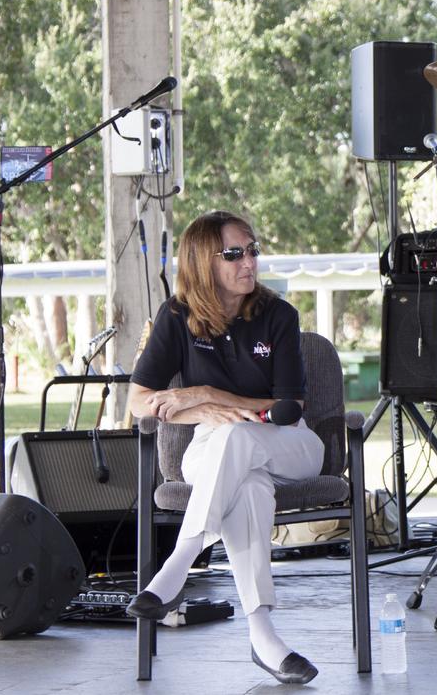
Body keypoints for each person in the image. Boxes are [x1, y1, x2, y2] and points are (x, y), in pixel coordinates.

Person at [125, 211, 324, 686]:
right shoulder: (176, 316)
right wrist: (197, 411)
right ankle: (264, 638)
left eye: (252, 250)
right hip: (211, 449)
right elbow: (137, 402)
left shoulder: (279, 315)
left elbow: (288, 407)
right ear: (202, 262)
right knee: (248, 487)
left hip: (288, 444)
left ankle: (181, 558)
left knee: (241, 441)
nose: (248, 261)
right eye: (234, 253)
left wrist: (207, 396)